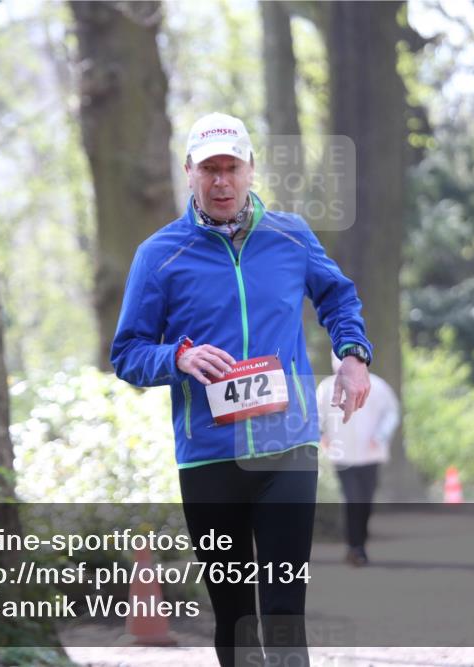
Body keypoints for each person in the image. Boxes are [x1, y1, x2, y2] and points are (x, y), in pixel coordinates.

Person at [111, 112, 372, 667]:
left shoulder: (291, 236)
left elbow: (339, 298)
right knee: (233, 616)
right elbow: (128, 354)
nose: (222, 181)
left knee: (283, 612)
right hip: (209, 458)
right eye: (210, 169)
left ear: (252, 170)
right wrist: (177, 357)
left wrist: (352, 355)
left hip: (287, 448)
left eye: (232, 167)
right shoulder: (160, 256)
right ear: (189, 173)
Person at [317, 354, 399, 566]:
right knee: (352, 499)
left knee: (365, 500)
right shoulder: (327, 387)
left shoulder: (377, 386)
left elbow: (391, 413)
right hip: (342, 453)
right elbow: (316, 415)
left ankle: (360, 543)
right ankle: (355, 547)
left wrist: (380, 436)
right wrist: (321, 436)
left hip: (370, 454)